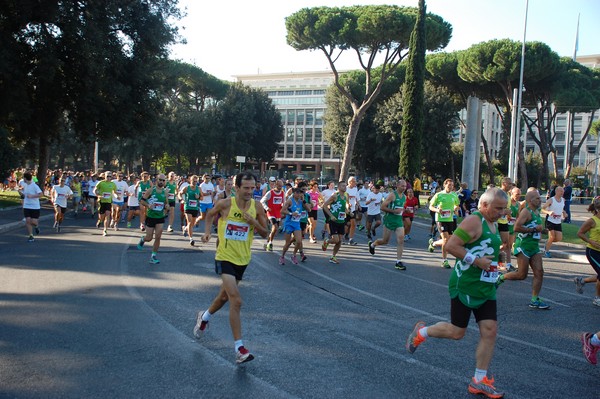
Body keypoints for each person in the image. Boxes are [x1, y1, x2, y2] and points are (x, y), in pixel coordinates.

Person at [406, 188, 508, 399]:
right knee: (457, 332)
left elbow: (484, 246)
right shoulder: (474, 220)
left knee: (490, 330)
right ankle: (421, 333)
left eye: (504, 209)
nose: (502, 212)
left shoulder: (492, 221)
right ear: (484, 205)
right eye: (498, 208)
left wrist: (499, 258)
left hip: (485, 286)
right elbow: (452, 245)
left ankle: (479, 380)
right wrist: (477, 261)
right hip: (465, 285)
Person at [194, 172, 269, 364]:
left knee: (224, 297)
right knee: (236, 301)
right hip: (224, 256)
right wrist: (208, 233)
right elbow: (210, 215)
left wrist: (252, 222)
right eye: (246, 188)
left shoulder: (257, 206)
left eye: (253, 188)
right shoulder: (226, 204)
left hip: (243, 259)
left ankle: (204, 317)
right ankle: (239, 349)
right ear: (236, 188)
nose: (250, 191)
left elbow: (265, 234)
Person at [497, 190, 550, 309]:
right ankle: (500, 277)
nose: (540, 200)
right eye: (537, 198)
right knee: (521, 275)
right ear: (530, 200)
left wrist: (542, 230)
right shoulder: (526, 212)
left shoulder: (537, 211)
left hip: (534, 247)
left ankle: (534, 299)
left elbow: (534, 227)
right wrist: (533, 230)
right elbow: (517, 227)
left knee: (539, 272)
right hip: (524, 246)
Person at [368, 180, 408, 270]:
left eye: (405, 186)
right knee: (385, 241)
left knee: (401, 239)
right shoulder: (392, 195)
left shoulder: (404, 197)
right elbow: (382, 207)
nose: (404, 188)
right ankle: (373, 245)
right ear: (397, 186)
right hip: (389, 220)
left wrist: (404, 210)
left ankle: (398, 262)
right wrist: (394, 211)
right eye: (402, 186)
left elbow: (400, 208)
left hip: (398, 221)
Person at [137, 173, 170, 264]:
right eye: (160, 180)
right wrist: (148, 205)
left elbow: (166, 203)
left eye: (163, 180)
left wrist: (167, 207)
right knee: (149, 238)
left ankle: (153, 256)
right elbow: (142, 200)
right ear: (156, 180)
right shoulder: (151, 190)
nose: (161, 182)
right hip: (151, 217)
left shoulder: (165, 192)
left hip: (160, 217)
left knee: (158, 237)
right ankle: (143, 239)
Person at [428, 179, 460, 268]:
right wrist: (437, 210)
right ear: (444, 185)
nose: (451, 187)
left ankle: (433, 243)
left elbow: (457, 205)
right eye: (449, 185)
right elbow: (431, 206)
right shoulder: (439, 195)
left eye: (452, 185)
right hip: (440, 219)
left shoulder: (454, 195)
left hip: (450, 219)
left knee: (448, 240)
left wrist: (456, 208)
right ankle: (445, 260)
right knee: (446, 240)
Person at [574, 197, 600, 306]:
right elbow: (580, 233)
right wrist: (591, 241)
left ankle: (582, 281)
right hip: (593, 251)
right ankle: (597, 298)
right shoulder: (592, 221)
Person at [279, 187, 312, 265]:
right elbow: (282, 210)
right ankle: (282, 256)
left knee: (299, 241)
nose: (298, 194)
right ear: (294, 193)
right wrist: (291, 213)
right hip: (289, 224)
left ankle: (293, 255)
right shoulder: (290, 201)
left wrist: (304, 201)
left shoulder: (301, 202)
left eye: (300, 193)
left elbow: (309, 209)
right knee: (287, 243)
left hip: (296, 224)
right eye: (297, 193)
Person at [322, 181, 352, 264]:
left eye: (345, 186)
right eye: (343, 186)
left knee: (339, 241)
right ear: (339, 187)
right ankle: (327, 241)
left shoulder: (346, 196)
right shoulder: (335, 196)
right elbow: (325, 206)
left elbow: (344, 208)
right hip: (333, 220)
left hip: (341, 220)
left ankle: (333, 256)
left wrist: (349, 212)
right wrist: (330, 215)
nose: (345, 187)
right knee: (336, 240)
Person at [260, 179, 285, 252]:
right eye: (279, 186)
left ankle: (268, 242)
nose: (280, 187)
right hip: (271, 213)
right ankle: (270, 243)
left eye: (281, 186)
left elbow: (284, 202)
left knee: (275, 230)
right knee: (275, 227)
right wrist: (267, 208)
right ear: (276, 185)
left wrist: (283, 208)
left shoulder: (282, 193)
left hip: (278, 213)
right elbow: (262, 201)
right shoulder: (270, 192)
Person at [542, 185, 566, 257]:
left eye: (563, 191)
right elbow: (542, 209)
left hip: (558, 221)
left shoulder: (563, 200)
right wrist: (549, 212)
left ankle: (548, 242)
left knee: (559, 238)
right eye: (561, 191)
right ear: (556, 191)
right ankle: (546, 251)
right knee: (552, 236)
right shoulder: (551, 200)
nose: (562, 192)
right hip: (550, 220)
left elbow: (561, 208)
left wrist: (564, 212)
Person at [19, 172, 43, 242]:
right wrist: (20, 192)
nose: (23, 179)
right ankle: (31, 235)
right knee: (28, 221)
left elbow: (41, 194)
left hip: (35, 206)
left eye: (24, 178)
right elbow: (24, 193)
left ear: (26, 178)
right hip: (26, 206)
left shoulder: (34, 186)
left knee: (33, 222)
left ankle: (36, 226)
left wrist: (32, 196)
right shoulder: (25, 185)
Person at [94, 172, 117, 236]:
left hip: (108, 202)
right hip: (101, 201)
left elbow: (114, 192)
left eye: (110, 176)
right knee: (102, 217)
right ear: (105, 176)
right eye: (107, 176)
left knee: (108, 215)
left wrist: (116, 196)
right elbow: (95, 190)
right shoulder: (101, 183)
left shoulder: (113, 184)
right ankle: (100, 221)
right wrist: (98, 195)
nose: (109, 178)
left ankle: (105, 230)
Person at [181, 175, 202, 246]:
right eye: (193, 181)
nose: (195, 182)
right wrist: (181, 199)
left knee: (193, 223)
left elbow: (202, 198)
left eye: (196, 181)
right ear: (190, 180)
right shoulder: (186, 188)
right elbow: (180, 193)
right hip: (188, 207)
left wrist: (198, 197)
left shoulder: (199, 189)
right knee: (189, 222)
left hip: (195, 208)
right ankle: (191, 238)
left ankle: (185, 228)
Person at [344, 176, 359, 245]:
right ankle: (341, 237)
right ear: (349, 182)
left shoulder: (355, 189)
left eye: (355, 181)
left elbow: (357, 198)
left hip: (352, 209)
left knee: (353, 224)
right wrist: (347, 204)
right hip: (345, 210)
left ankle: (351, 239)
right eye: (354, 181)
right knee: (345, 225)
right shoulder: (345, 189)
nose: (355, 182)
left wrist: (358, 205)